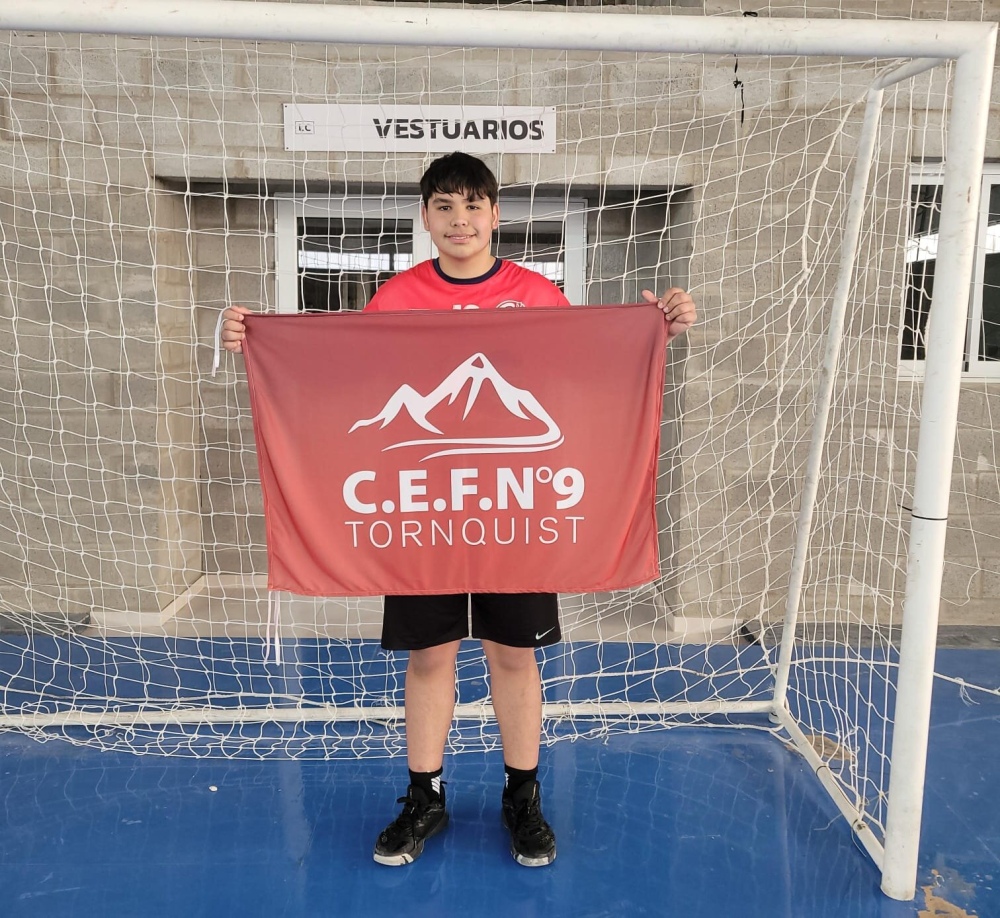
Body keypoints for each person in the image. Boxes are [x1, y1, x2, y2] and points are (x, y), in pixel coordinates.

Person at [220, 152, 697, 868]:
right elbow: (345, 376)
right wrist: (256, 340)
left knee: (514, 654)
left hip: (514, 511)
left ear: (496, 215)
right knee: (430, 655)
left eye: (474, 205)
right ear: (426, 218)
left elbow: (587, 372)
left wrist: (660, 326)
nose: (460, 220)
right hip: (427, 513)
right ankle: (425, 795)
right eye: (444, 206)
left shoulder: (536, 294)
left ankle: (522, 796)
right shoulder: (396, 299)